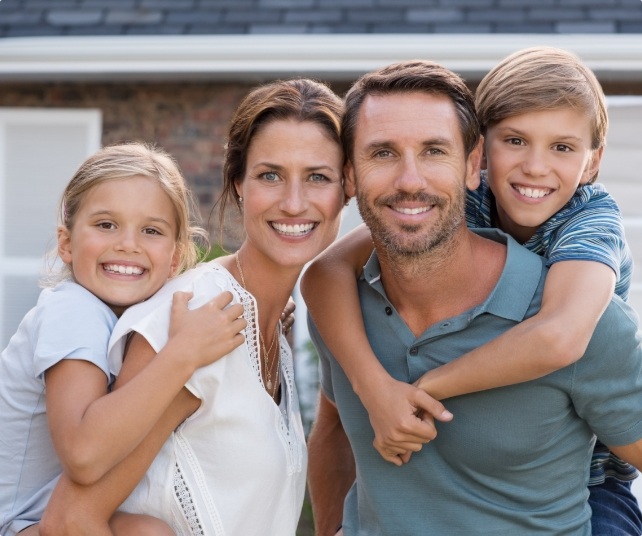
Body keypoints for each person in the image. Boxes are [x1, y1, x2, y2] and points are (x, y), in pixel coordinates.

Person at [302, 47, 641, 534]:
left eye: (434, 150)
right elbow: (324, 275)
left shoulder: (588, 251)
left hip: (598, 476)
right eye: (383, 153)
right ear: (484, 156)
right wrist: (375, 388)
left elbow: (560, 336)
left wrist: (422, 392)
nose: (536, 167)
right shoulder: (350, 304)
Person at [39, 78, 347, 536]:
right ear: (238, 183)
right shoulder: (198, 312)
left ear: (348, 189)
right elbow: (70, 521)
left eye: (318, 177)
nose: (294, 202)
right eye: (270, 175)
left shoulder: (271, 325)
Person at [0, 143, 247, 536]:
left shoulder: (127, 319)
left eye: (150, 230)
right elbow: (83, 454)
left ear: (175, 258)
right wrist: (184, 353)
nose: (127, 244)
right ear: (66, 243)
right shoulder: (72, 310)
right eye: (105, 225)